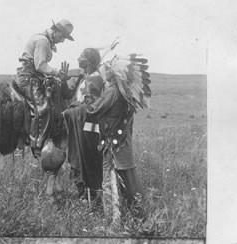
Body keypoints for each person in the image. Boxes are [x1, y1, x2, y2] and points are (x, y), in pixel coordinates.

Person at [85, 62, 147, 227]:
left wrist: (88, 93)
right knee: (128, 179)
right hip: (122, 144)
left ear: (110, 75)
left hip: (112, 147)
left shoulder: (112, 91)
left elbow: (92, 109)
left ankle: (114, 222)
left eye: (105, 71)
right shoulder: (124, 93)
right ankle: (138, 215)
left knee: (109, 181)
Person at [14, 19, 75, 158]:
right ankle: (37, 147)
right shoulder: (43, 41)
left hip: (33, 77)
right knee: (43, 109)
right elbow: (40, 65)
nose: (63, 41)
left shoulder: (43, 39)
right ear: (56, 31)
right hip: (28, 79)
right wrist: (56, 72)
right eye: (63, 36)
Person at [63, 48, 105, 201]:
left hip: (87, 129)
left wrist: (70, 111)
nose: (78, 58)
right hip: (78, 125)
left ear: (88, 61)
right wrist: (62, 80)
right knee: (77, 159)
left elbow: (91, 107)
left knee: (86, 160)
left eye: (81, 56)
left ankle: (90, 198)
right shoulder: (84, 78)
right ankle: (83, 195)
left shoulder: (95, 79)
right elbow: (69, 95)